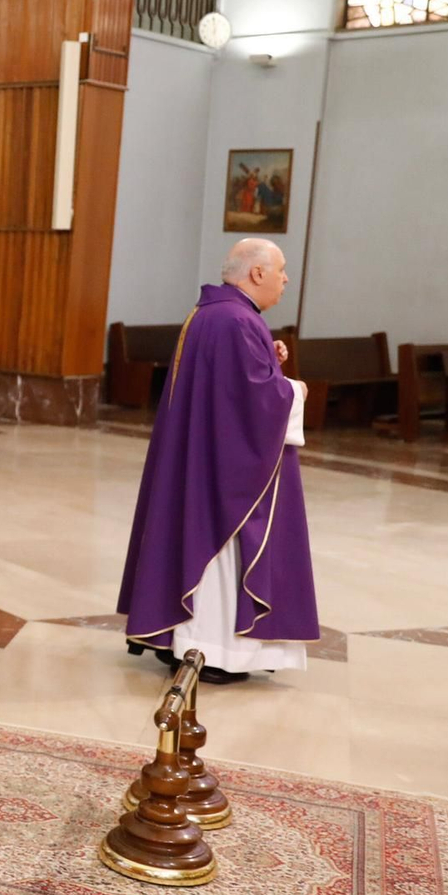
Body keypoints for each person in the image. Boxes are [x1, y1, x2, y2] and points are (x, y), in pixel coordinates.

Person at [117, 238, 319, 686]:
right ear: (257, 273)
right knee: (222, 547)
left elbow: (227, 386)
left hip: (202, 458)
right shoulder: (234, 320)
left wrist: (268, 354)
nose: (286, 279)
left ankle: (190, 642)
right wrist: (295, 390)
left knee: (195, 539)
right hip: (223, 471)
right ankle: (215, 649)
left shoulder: (215, 313)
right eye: (281, 270)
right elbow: (254, 402)